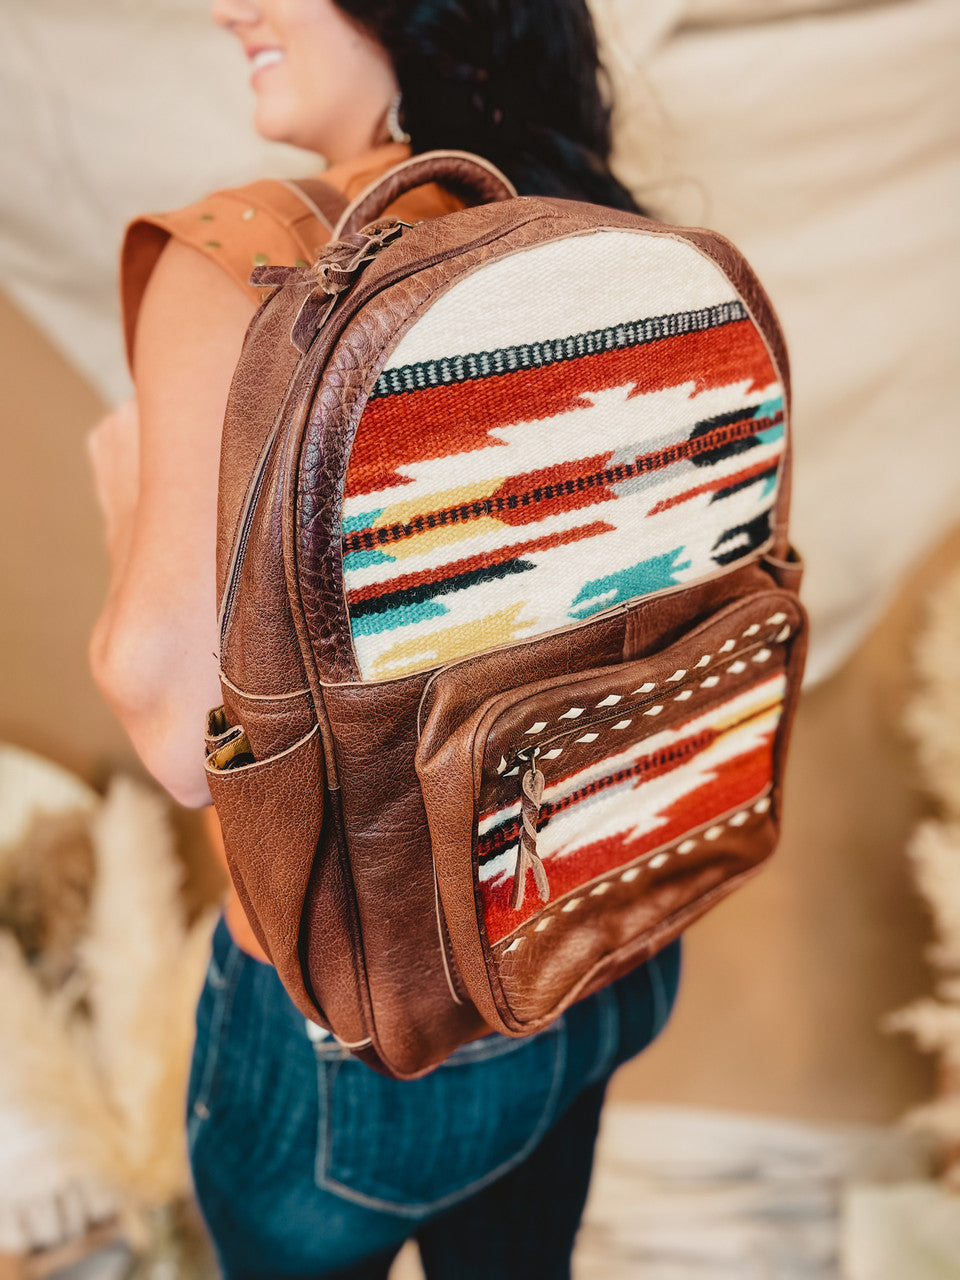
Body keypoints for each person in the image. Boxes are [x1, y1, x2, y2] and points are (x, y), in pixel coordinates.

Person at [87, 2, 682, 1276]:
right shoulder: (606, 226)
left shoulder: (244, 259)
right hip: (607, 936)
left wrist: (126, 491)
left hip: (368, 1045)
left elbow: (178, 728)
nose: (230, 6)